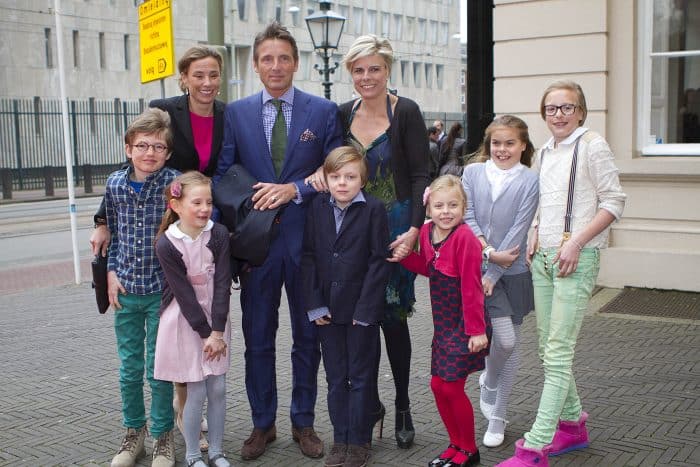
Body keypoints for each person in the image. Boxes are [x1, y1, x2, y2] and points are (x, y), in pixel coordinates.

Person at [213, 22, 343, 461]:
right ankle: (262, 424)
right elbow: (225, 174)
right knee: (258, 337)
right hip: (257, 248)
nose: (275, 66)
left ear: (296, 63)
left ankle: (302, 422)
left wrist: (295, 189)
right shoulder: (236, 113)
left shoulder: (323, 112)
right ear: (255, 64)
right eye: (267, 58)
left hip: (308, 243)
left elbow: (338, 168)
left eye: (283, 57)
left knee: (309, 337)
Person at [496, 80, 626, 467]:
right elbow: (543, 199)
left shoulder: (593, 145)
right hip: (544, 258)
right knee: (547, 349)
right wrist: (536, 229)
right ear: (544, 114)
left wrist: (577, 243)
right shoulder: (546, 153)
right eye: (552, 109)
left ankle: (535, 447)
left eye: (567, 108)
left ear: (581, 112)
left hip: (576, 257)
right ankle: (572, 425)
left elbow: (614, 201)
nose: (559, 115)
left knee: (557, 352)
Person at [337, 34, 431, 450]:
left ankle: (403, 404)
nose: (366, 76)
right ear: (350, 74)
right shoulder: (342, 115)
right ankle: (371, 403)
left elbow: (419, 175)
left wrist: (414, 230)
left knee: (393, 319)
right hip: (355, 231)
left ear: (387, 69)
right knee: (361, 319)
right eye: (358, 70)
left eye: (374, 68)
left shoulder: (405, 111)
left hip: (395, 229)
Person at [301, 146, 392, 467]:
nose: (342, 183)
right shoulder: (317, 208)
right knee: (336, 377)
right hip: (326, 312)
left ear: (362, 180)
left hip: (360, 314)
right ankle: (341, 439)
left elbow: (379, 262)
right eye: (335, 176)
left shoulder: (374, 210)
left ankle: (360, 441)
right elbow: (309, 257)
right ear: (325, 178)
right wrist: (314, 304)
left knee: (362, 377)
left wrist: (366, 310)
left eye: (350, 177)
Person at [104, 108, 180, 467]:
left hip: (162, 291)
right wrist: (111, 272)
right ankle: (134, 432)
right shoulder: (114, 185)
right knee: (129, 367)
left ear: (167, 152)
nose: (150, 153)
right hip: (125, 288)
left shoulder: (175, 185)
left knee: (159, 367)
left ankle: (164, 436)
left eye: (158, 147)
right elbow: (114, 233)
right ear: (128, 148)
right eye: (142, 146)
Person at [398, 175, 488, 467]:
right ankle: (455, 445)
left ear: (463, 208)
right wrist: (401, 258)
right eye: (439, 206)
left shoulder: (465, 239)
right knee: (438, 387)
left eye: (453, 205)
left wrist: (476, 331)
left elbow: (472, 288)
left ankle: (469, 451)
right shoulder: (426, 232)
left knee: (451, 387)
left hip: (465, 323)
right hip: (444, 326)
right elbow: (428, 267)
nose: (446, 211)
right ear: (428, 208)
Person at [461, 115, 539, 448]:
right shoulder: (472, 172)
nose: (502, 149)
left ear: (523, 145)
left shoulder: (531, 180)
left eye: (510, 143)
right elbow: (467, 217)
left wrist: (495, 271)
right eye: (496, 143)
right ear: (487, 144)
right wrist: (489, 257)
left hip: (514, 272)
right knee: (502, 341)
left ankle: (497, 412)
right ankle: (490, 385)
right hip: (481, 269)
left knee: (509, 344)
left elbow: (519, 230)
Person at [153, 171, 232, 467]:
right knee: (195, 388)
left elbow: (223, 283)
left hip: (216, 319)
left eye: (208, 202)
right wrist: (205, 333)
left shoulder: (220, 234)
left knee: (219, 387)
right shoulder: (166, 244)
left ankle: (216, 451)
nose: (204, 208)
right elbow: (183, 294)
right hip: (186, 321)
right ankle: (191, 455)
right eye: (196, 202)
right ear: (176, 206)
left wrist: (218, 330)